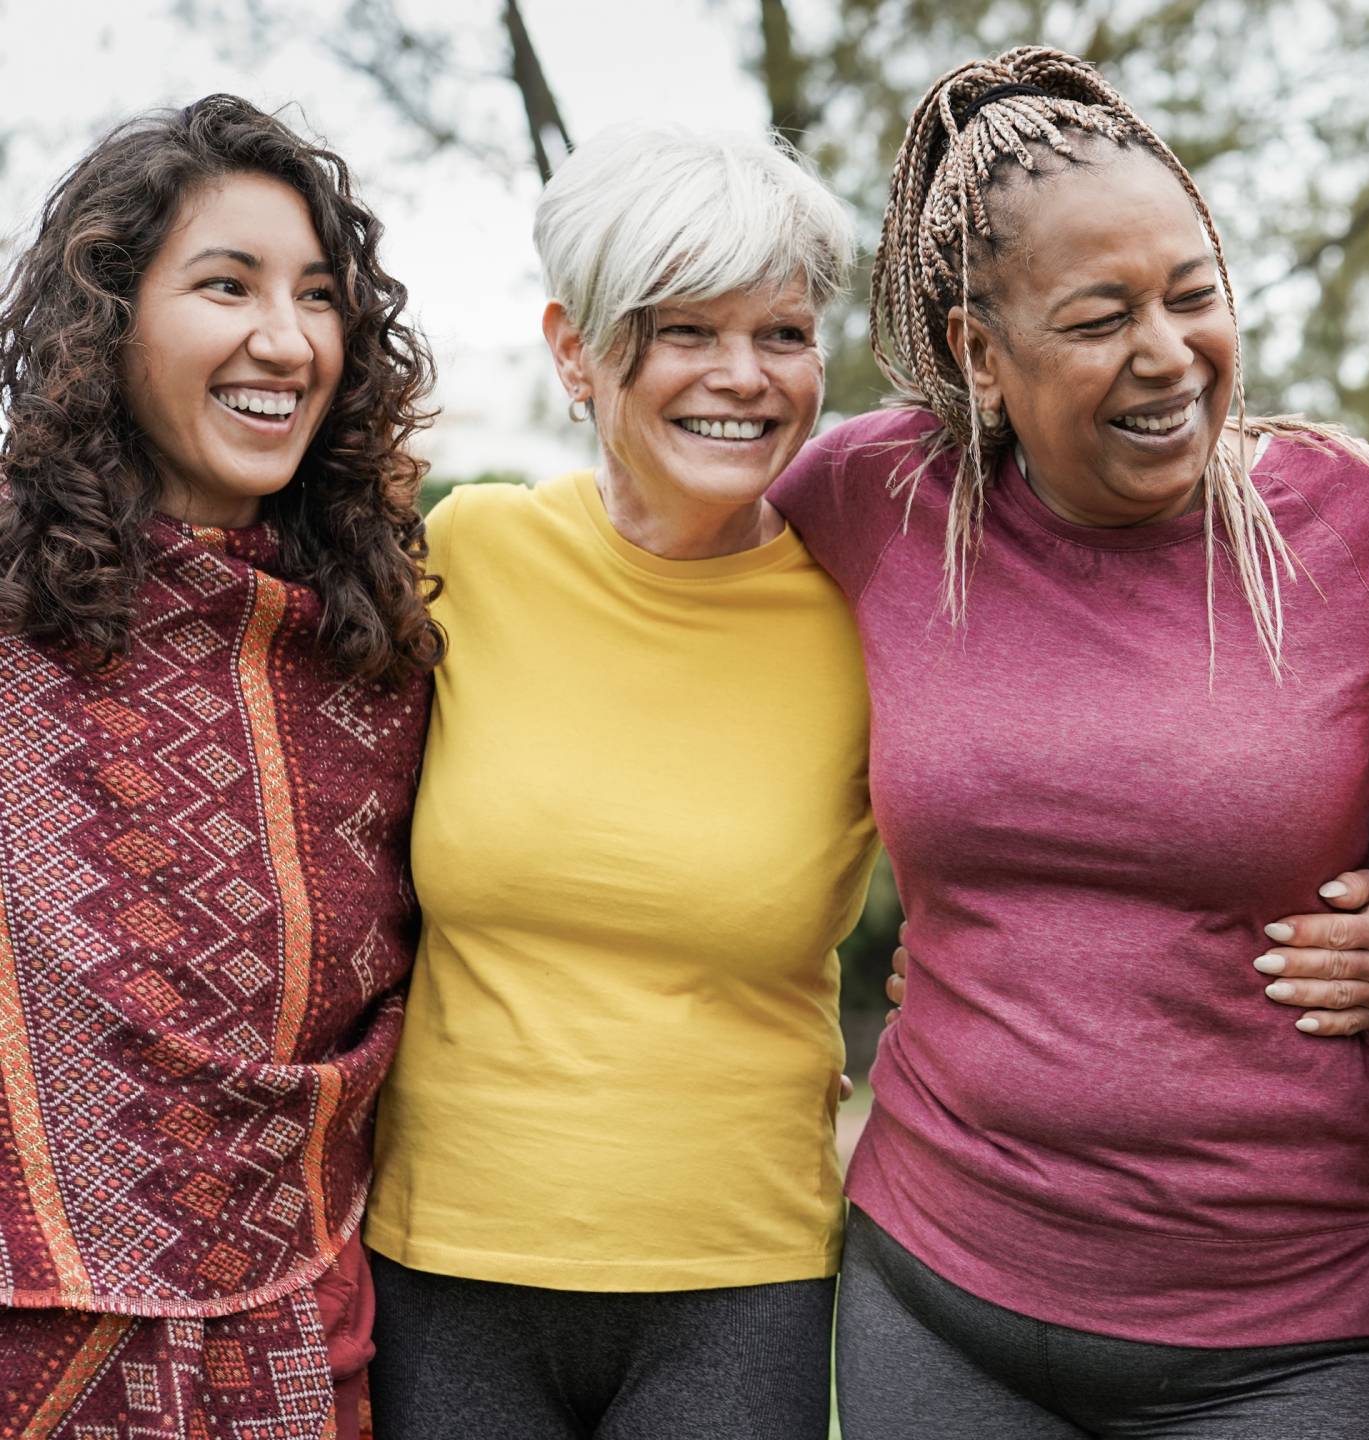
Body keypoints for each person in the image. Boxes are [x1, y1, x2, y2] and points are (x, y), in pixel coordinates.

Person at [769, 46, 1369, 1439]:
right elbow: (666, 564)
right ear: (982, 356)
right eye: (1101, 316)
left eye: (1195, 295)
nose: (1168, 354)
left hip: (1283, 1342)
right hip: (940, 1300)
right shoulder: (877, 499)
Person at [361, 127, 874, 1439]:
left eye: (783, 334)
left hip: (738, 1282)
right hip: (446, 1268)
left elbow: (1033, 848)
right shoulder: (469, 556)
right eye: (686, 331)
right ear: (574, 350)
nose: (742, 378)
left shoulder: (872, 619)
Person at [0, 95, 439, 1440]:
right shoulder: (11, 613)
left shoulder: (384, 646)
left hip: (317, 1335)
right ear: (108, 323)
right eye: (226, 285)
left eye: (318, 296)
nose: (284, 339)